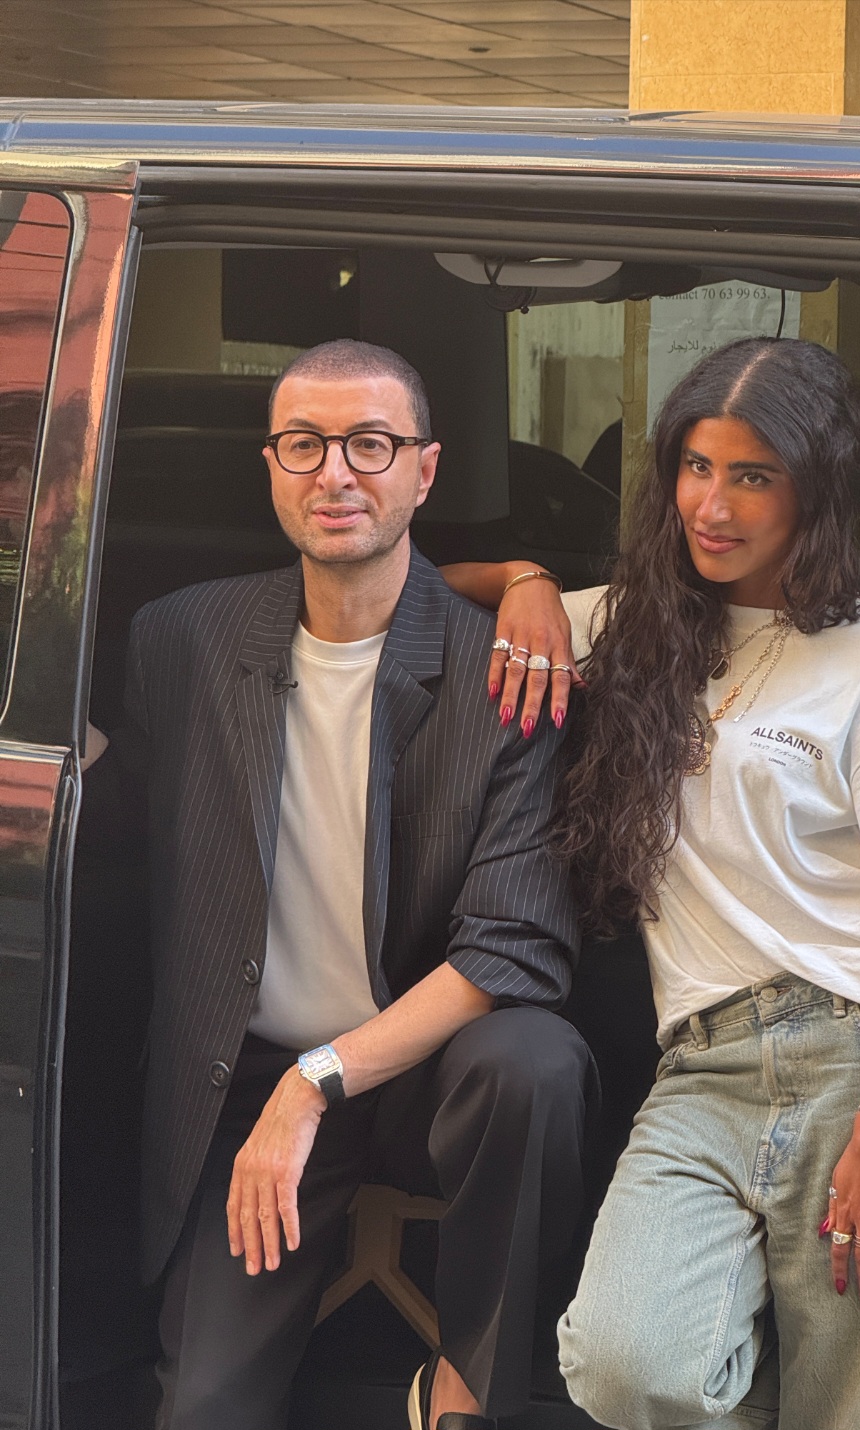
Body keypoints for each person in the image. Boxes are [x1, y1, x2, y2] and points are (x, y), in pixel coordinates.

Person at [442, 336, 860, 1430]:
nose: (712, 505)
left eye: (753, 476)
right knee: (624, 1360)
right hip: (705, 1059)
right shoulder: (633, 625)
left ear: (818, 490)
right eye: (696, 467)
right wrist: (524, 581)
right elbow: (416, 592)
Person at [83, 338, 594, 1430]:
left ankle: (468, 1390)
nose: (335, 474)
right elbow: (119, 823)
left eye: (370, 444)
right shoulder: (184, 638)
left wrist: (316, 1082)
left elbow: (510, 947)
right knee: (203, 1408)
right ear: (270, 465)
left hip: (420, 1076)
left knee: (533, 1061)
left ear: (425, 469)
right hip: (245, 1073)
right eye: (304, 444)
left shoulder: (501, 672)